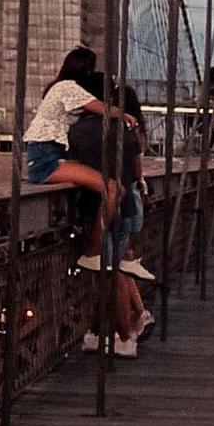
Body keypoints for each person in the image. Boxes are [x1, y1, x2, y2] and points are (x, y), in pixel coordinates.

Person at [22, 46, 138, 265]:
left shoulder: (58, 88)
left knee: (113, 190)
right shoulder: (67, 87)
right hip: (46, 161)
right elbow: (102, 108)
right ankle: (93, 254)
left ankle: (94, 251)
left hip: (48, 156)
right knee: (113, 190)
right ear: (86, 70)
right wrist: (124, 114)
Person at [68, 73, 152, 358]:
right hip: (126, 205)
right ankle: (101, 331)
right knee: (112, 269)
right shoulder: (125, 129)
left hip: (98, 210)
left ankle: (125, 337)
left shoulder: (78, 131)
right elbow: (136, 169)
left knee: (108, 272)